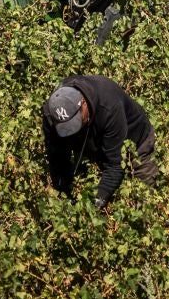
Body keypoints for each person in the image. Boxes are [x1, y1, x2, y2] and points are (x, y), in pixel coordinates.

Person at [42, 75, 158, 211]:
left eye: (74, 122)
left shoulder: (109, 106)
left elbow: (115, 166)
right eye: (65, 127)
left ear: (83, 103)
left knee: (143, 201)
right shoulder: (52, 114)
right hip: (96, 143)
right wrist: (62, 193)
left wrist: (95, 205)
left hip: (136, 141)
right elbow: (57, 158)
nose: (71, 130)